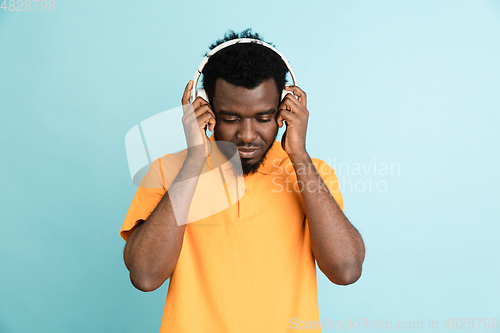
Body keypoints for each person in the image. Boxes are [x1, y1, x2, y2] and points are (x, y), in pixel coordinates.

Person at [120, 28, 365, 333]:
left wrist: (299, 157)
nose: (247, 135)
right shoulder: (169, 170)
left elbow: (346, 270)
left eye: (263, 118)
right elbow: (144, 277)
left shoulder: (313, 173)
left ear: (285, 110)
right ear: (204, 107)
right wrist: (195, 160)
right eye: (231, 118)